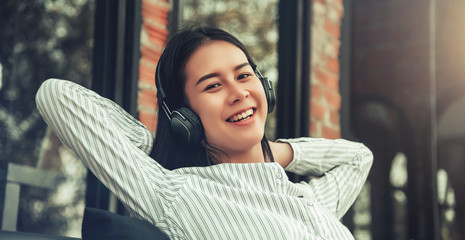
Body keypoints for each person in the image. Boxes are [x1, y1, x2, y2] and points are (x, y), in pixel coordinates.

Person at [36, 26, 373, 239]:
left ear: (264, 88)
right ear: (186, 117)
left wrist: (273, 151)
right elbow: (57, 96)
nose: (238, 92)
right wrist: (159, 144)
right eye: (213, 85)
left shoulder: (311, 202)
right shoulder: (177, 194)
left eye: (243, 76)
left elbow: (359, 157)